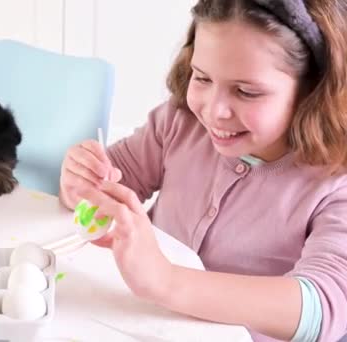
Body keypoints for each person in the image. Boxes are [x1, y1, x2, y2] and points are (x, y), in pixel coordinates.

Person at [59, 0, 347, 341]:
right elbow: (114, 184)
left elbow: (323, 310)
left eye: (245, 91)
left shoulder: (334, 181)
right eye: (202, 78)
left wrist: (164, 280)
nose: (214, 111)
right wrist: (81, 180)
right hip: (139, 323)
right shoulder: (180, 122)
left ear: (312, 90)